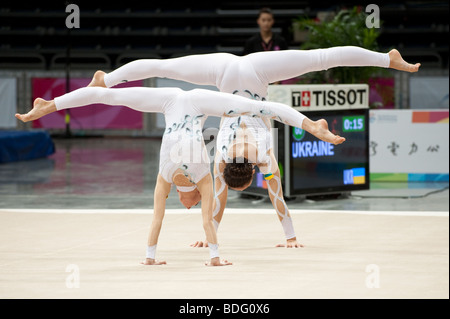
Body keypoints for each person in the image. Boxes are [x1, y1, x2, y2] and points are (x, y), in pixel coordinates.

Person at [83, 46, 420, 249]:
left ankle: (107, 79)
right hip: (228, 75)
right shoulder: (225, 160)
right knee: (321, 58)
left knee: (163, 66)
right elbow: (219, 195)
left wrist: (289, 236)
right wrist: (209, 233)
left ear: (250, 171)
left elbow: (274, 197)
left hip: (252, 76)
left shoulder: (264, 155)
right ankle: (385, 58)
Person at [15, 84, 330, 265]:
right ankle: (49, 104)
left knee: (109, 95)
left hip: (183, 105)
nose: (188, 205)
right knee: (255, 107)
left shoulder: (218, 165)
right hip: (196, 104)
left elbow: (212, 206)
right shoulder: (214, 169)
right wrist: (214, 252)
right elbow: (213, 208)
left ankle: (53, 104)